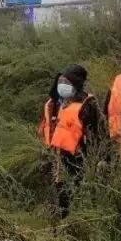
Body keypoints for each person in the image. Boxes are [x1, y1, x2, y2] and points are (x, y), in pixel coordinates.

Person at [39, 64, 102, 217]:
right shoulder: (54, 104)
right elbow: (46, 127)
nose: (62, 86)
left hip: (80, 158)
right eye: (60, 82)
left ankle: (79, 219)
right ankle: (63, 220)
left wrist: (96, 159)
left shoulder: (88, 105)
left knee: (78, 191)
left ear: (76, 85)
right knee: (61, 191)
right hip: (59, 156)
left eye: (67, 83)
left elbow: (96, 134)